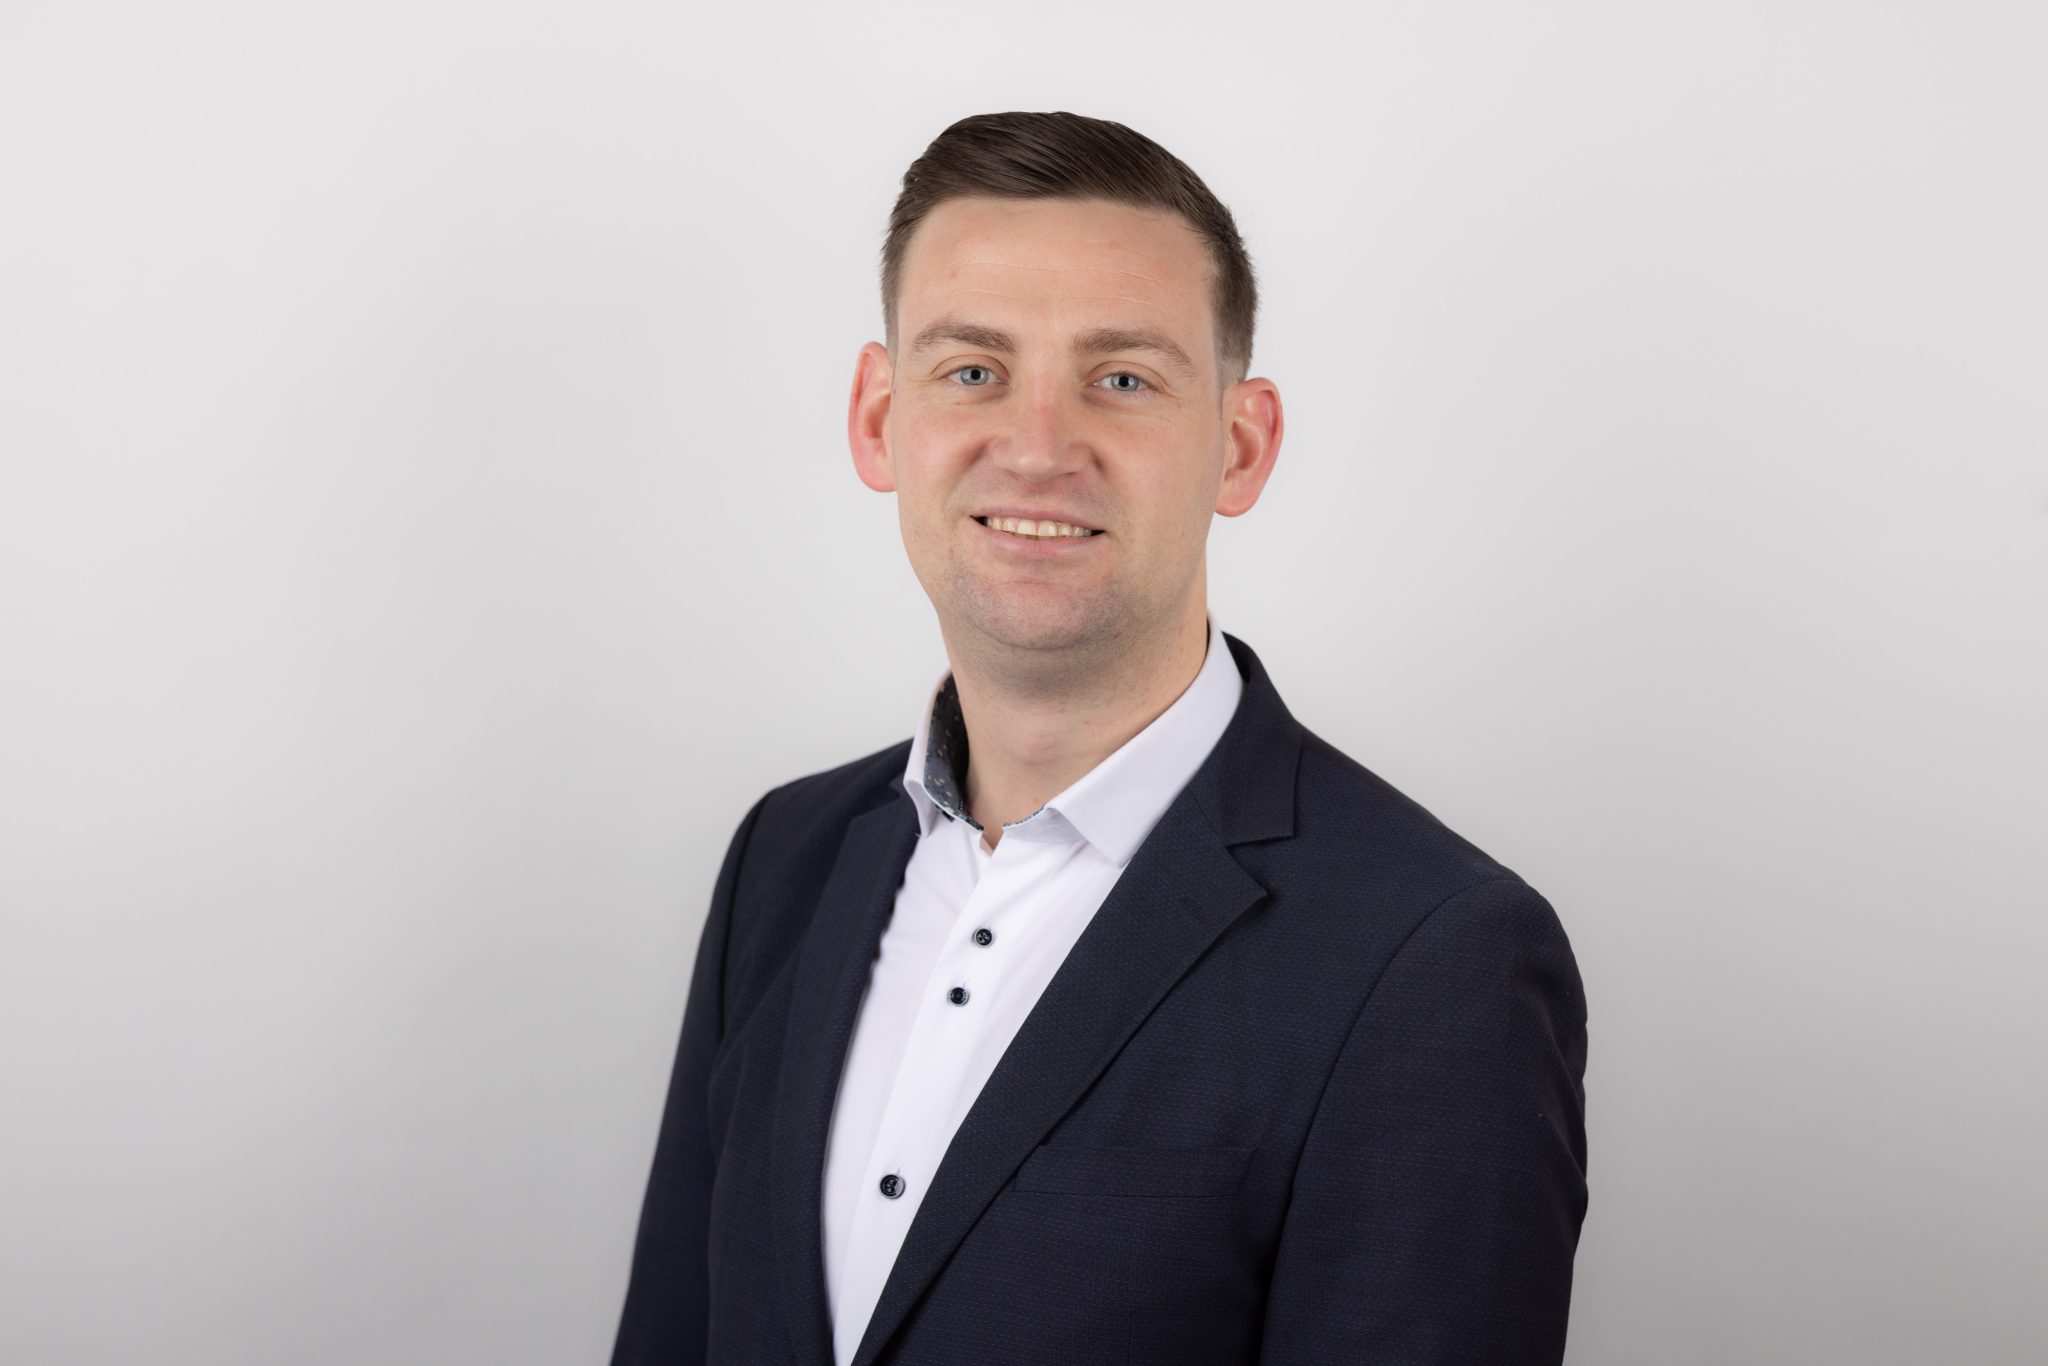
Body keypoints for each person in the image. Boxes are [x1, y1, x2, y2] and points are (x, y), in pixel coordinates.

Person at [610, 110, 1589, 1366]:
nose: (1035, 447)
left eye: (1121, 378)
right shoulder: (785, 857)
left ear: (1240, 446)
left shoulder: (1432, 957)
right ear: (877, 417)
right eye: (972, 369)